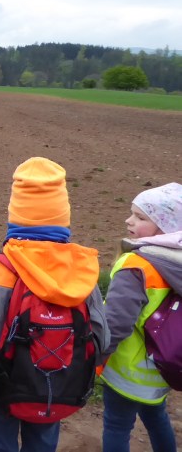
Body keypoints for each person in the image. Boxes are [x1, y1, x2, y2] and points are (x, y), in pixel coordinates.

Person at [0, 157, 109, 452]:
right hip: (58, 387)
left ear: (15, 216)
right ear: (63, 218)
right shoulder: (82, 273)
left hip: (3, 384)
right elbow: (102, 337)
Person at [100, 182, 182, 452]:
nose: (129, 220)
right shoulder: (176, 261)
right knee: (156, 416)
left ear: (166, 226)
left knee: (116, 426)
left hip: (127, 371)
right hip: (162, 368)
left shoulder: (137, 266)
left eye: (140, 217)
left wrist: (96, 356)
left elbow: (116, 324)